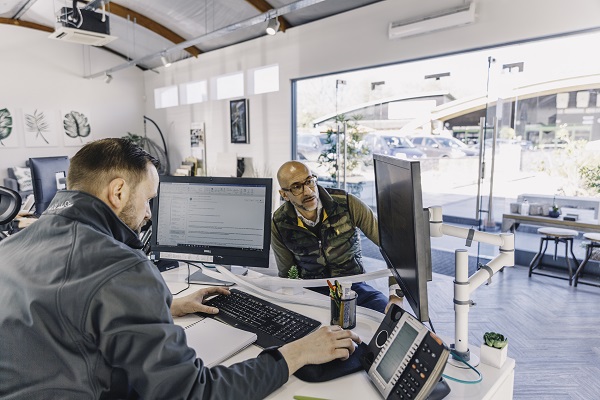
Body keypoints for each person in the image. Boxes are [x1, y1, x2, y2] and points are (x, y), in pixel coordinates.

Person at [0, 139, 360, 400]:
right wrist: (297, 353)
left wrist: (163, 306)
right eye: (149, 199)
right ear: (119, 192)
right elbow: (193, 392)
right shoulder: (121, 267)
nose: (148, 214)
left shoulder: (10, 247)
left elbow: (59, 307)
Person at [271, 161, 404, 314]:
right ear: (284, 194)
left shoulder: (347, 203)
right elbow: (288, 275)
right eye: (296, 187)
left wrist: (396, 296)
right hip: (312, 292)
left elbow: (392, 248)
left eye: (309, 181)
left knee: (391, 319)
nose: (307, 191)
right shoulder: (279, 223)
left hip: (354, 287)